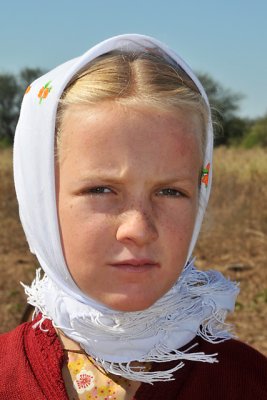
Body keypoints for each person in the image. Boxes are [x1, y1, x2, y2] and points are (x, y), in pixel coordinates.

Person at [0, 34, 266, 399]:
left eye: (171, 192)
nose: (138, 228)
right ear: (41, 201)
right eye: (101, 190)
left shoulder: (249, 383)